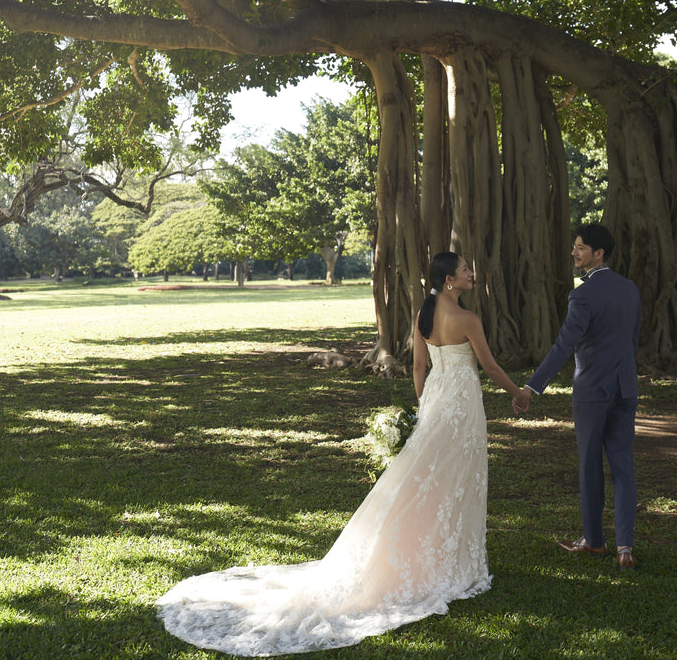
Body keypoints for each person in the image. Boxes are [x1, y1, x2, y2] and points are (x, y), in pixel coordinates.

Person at [157, 251, 531, 656]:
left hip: (439, 401)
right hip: (461, 406)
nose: (471, 274)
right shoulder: (468, 319)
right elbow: (489, 367)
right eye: (464, 270)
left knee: (425, 478)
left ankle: (433, 552)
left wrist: (425, 408)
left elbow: (420, 369)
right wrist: (519, 393)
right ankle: (450, 559)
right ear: (449, 280)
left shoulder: (424, 316)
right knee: (454, 478)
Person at [525, 224, 641, 569]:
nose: (574, 253)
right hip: (626, 387)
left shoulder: (583, 294)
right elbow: (632, 340)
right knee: (623, 467)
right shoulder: (630, 289)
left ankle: (594, 541)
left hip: (592, 390)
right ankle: (625, 549)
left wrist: (533, 386)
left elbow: (565, 344)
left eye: (580, 248)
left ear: (598, 254)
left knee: (590, 466)